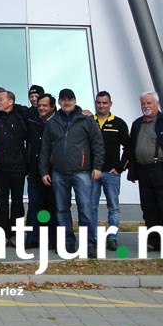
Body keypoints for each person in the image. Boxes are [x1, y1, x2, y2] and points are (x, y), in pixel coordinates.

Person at [40, 88, 104, 253]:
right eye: (63, 100)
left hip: (81, 172)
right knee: (61, 210)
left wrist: (97, 167)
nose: (67, 102)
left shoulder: (86, 120)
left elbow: (97, 144)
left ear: (75, 100)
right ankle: (68, 243)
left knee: (85, 209)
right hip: (59, 172)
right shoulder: (52, 122)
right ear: (59, 102)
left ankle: (89, 244)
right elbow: (45, 148)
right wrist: (44, 171)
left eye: (70, 99)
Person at [125, 91, 163, 254]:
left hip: (161, 170)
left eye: (149, 103)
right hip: (143, 171)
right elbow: (132, 148)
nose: (145, 106)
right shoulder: (137, 124)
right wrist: (132, 171)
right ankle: (153, 241)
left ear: (156, 104)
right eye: (143, 103)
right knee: (148, 209)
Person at [0, 90, 29, 246]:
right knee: (2, 203)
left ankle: (16, 234)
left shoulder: (20, 115)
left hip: (18, 167)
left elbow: (34, 111)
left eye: (1, 99)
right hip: (0, 168)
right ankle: (2, 234)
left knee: (17, 202)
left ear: (10, 102)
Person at [91, 91, 131, 251]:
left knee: (113, 208)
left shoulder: (119, 123)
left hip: (111, 174)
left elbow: (129, 147)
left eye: (104, 103)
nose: (101, 105)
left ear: (110, 104)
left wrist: (121, 167)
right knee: (91, 207)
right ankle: (93, 238)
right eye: (99, 102)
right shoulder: (89, 121)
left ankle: (112, 237)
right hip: (93, 173)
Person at [25, 93, 58, 249]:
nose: (41, 108)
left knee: (53, 205)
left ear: (52, 107)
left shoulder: (59, 122)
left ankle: (52, 239)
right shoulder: (32, 121)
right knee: (34, 205)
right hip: (34, 170)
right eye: (39, 105)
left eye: (45, 105)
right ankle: (33, 238)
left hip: (54, 171)